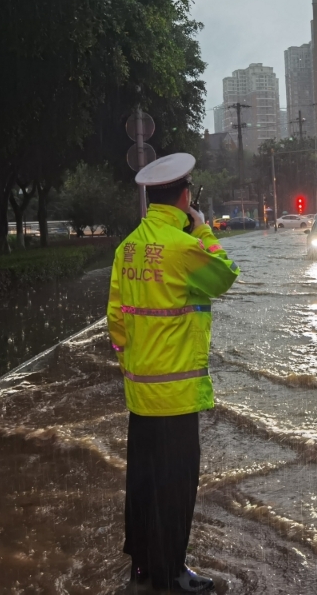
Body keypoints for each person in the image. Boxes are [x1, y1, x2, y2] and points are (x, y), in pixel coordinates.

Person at [106, 153, 240, 593]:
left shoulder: (127, 248)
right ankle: (172, 576)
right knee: (175, 490)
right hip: (177, 394)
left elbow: (116, 320)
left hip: (140, 395)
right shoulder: (183, 247)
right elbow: (224, 277)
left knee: (143, 485)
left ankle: (142, 570)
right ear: (184, 196)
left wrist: (133, 367)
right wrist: (201, 227)